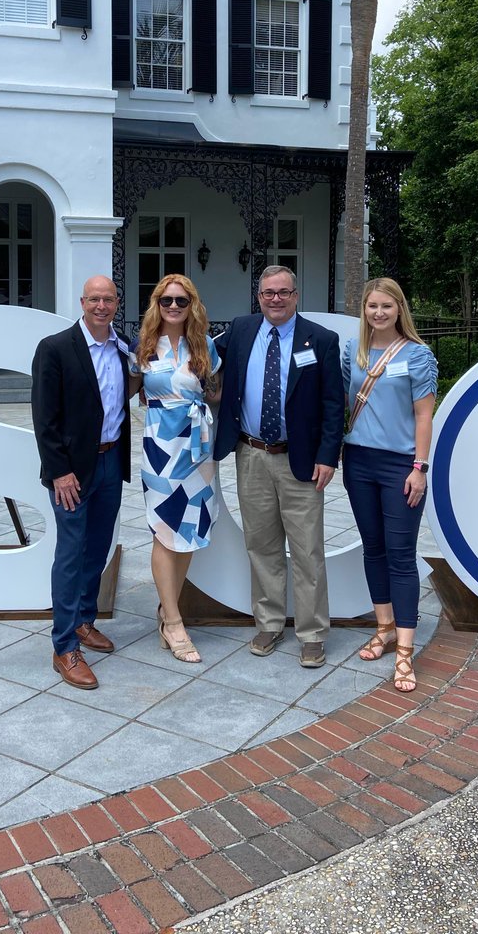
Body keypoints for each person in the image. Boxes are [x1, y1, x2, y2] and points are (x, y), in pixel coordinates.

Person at [213, 265, 344, 667]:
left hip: (300, 461)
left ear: (296, 295)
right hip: (251, 455)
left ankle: (312, 633)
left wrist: (327, 456)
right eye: (269, 292)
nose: (275, 299)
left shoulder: (320, 339)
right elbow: (197, 353)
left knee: (307, 550)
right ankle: (269, 624)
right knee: (262, 546)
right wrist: (154, 379)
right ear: (259, 296)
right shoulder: (240, 330)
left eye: (283, 292)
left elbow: (333, 404)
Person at [31, 276, 131, 690]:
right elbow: (44, 416)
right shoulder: (55, 348)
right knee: (70, 554)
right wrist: (59, 470)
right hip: (72, 472)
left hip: (110, 463)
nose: (102, 306)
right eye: (94, 299)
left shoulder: (121, 346)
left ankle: (85, 620)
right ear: (82, 302)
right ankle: (64, 645)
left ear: (117, 303)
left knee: (98, 549)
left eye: (108, 299)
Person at [341, 277, 437, 692]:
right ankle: (383, 628)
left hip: (401, 466)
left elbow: (423, 417)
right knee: (373, 548)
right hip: (358, 461)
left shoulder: (419, 356)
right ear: (364, 310)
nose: (378, 313)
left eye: (386, 306)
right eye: (371, 306)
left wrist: (420, 467)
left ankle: (404, 650)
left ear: (400, 309)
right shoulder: (354, 352)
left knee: (401, 555)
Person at [130, 274, 221, 663]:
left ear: (192, 305)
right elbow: (125, 393)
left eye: (180, 301)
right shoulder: (144, 348)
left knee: (190, 528)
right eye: (166, 300)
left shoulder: (205, 346)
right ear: (156, 304)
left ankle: (168, 611)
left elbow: (217, 393)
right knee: (164, 527)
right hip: (160, 448)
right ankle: (173, 621)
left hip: (197, 449)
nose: (173, 307)